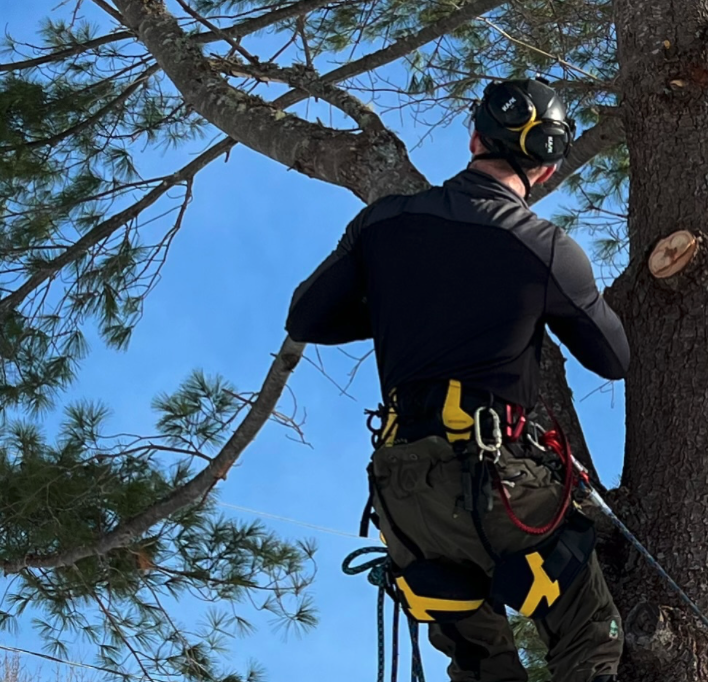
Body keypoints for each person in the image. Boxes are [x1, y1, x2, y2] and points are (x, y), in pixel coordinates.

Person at [285, 78, 630, 682]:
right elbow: (611, 357)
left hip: (403, 493)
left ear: (473, 138)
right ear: (546, 170)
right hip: (498, 485)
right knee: (585, 630)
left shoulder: (383, 222)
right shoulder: (544, 247)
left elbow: (306, 315)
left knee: (479, 661)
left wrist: (406, 307)